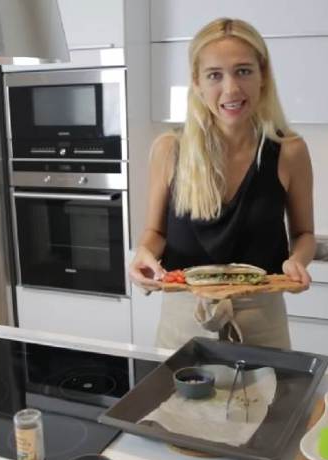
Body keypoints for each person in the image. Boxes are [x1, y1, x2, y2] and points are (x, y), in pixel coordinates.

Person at [128, 18, 315, 350]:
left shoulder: (290, 151)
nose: (231, 89)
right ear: (197, 83)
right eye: (215, 75)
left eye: (243, 71)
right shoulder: (169, 150)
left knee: (268, 388)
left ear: (263, 76)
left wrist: (297, 260)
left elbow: (304, 234)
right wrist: (144, 254)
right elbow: (155, 232)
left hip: (262, 320)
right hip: (184, 318)